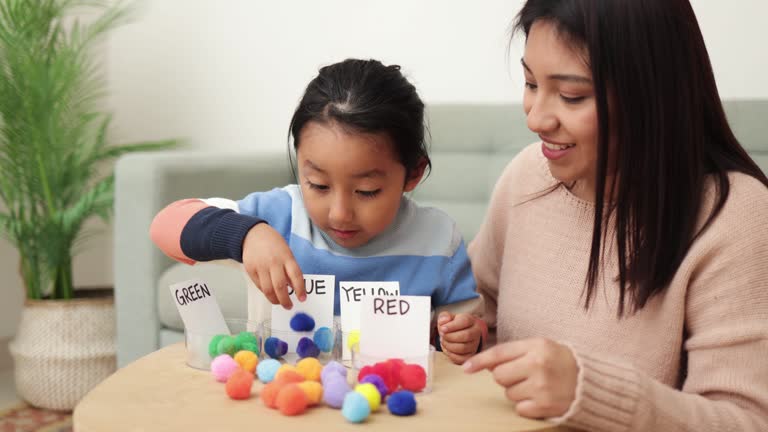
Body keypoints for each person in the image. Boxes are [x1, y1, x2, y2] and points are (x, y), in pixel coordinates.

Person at [439, 0, 768, 430]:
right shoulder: (527, 175)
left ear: (652, 94)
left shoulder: (734, 215)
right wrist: (459, 332)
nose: (536, 118)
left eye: (571, 95)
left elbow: (746, 420)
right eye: (530, 83)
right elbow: (481, 317)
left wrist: (590, 392)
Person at [150, 58, 478, 337]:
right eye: (318, 185)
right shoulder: (279, 217)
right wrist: (246, 234)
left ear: (413, 174)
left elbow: (469, 328)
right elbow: (165, 226)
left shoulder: (438, 239)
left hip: (392, 403)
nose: (339, 213)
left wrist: (463, 337)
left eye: (367, 192)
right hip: (286, 399)